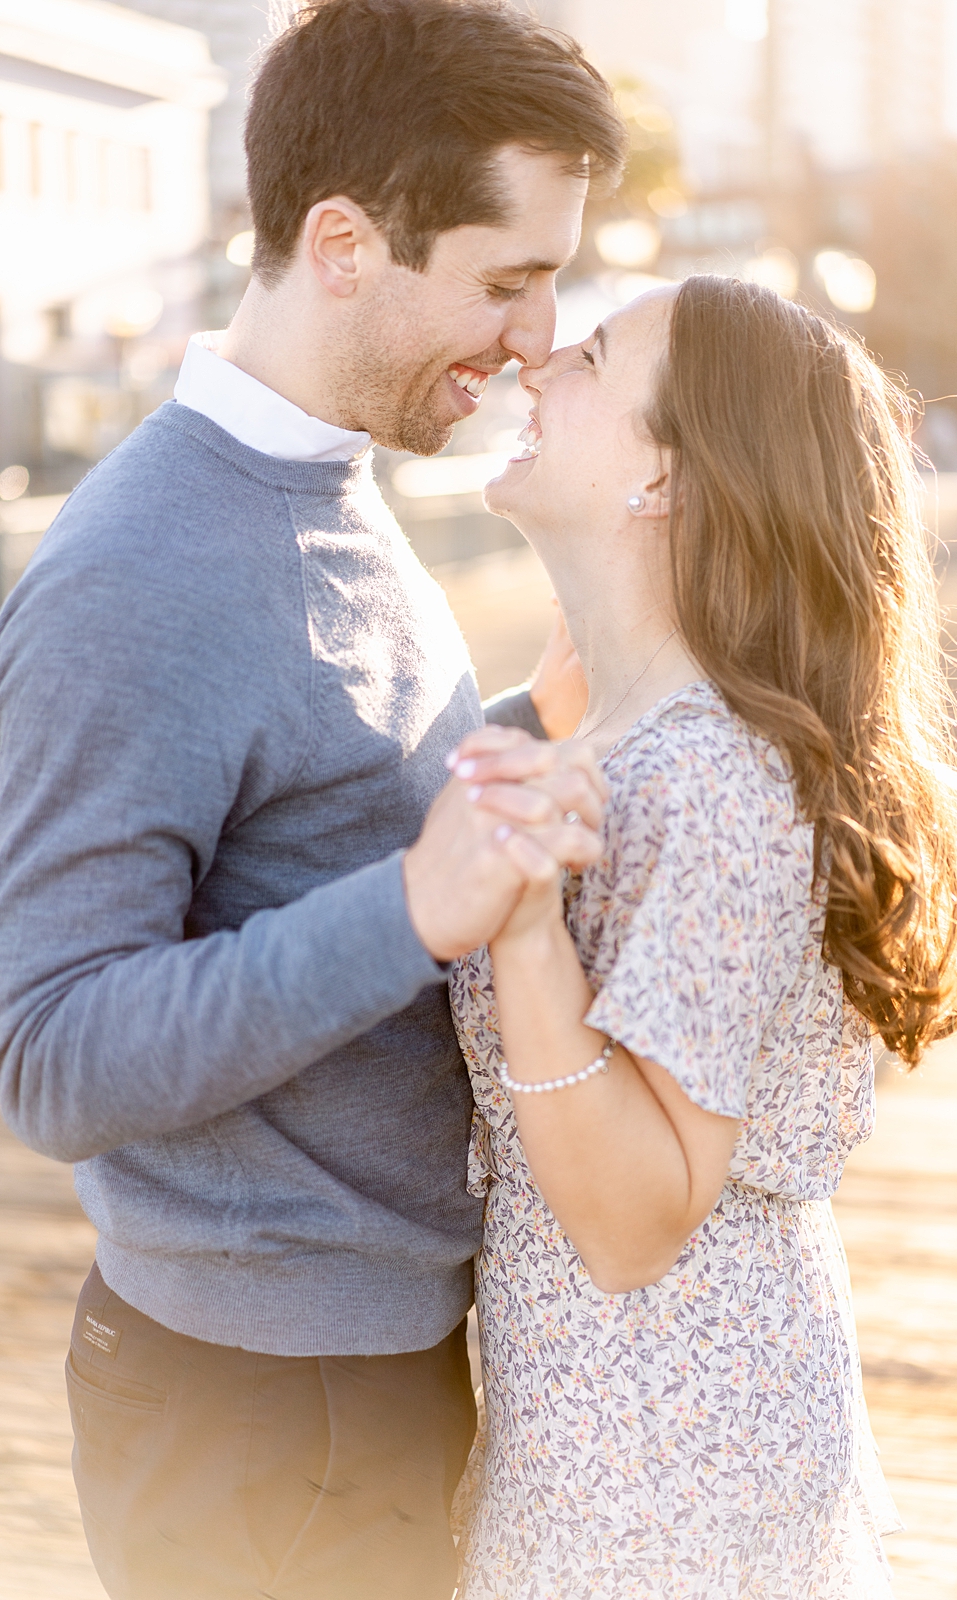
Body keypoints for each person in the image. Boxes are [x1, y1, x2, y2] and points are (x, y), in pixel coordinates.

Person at [0, 2, 623, 1596]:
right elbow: (51, 1054)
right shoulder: (134, 579)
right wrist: (409, 909)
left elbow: (328, 808)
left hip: (361, 1368)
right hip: (261, 1405)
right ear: (341, 241)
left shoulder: (332, 482)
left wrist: (555, 705)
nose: (535, 338)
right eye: (504, 279)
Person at [445, 275, 957, 1596]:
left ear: (664, 476)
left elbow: (634, 1219)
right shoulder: (626, 744)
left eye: (595, 355)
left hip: (671, 1474)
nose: (542, 359)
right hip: (612, 1442)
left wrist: (522, 938)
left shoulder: (715, 786)